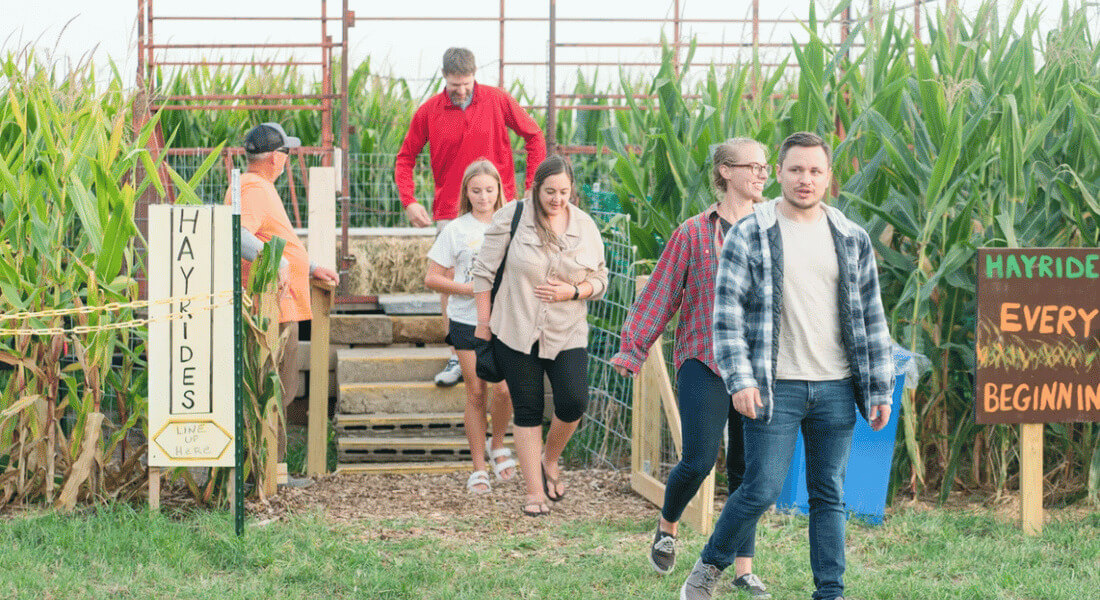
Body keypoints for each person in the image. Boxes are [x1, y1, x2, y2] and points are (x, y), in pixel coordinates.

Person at [679, 132, 894, 600]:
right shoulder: (750, 231)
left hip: (836, 388)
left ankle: (831, 591)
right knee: (760, 489)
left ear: (829, 177)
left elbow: (872, 318)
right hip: (776, 386)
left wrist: (880, 390)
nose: (805, 179)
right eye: (796, 169)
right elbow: (727, 312)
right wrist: (739, 379)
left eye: (816, 171)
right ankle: (707, 569)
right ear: (777, 173)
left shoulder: (850, 237)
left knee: (829, 495)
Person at [611, 138, 772, 597]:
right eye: (753, 166)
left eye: (766, 167)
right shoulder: (694, 233)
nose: (763, 174)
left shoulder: (772, 231)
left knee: (747, 470)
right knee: (699, 460)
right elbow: (662, 293)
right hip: (703, 358)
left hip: (758, 365)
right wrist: (633, 348)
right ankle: (667, 525)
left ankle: (743, 568)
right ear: (724, 171)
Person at [394, 47, 546, 388]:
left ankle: (507, 345)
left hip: (500, 207)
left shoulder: (497, 100)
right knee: (451, 278)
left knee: (506, 273)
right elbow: (405, 158)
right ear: (444, 79)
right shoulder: (429, 111)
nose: (460, 91)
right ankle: (456, 354)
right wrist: (409, 201)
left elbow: (535, 136)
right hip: (450, 207)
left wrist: (530, 187)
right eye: (453, 85)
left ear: (475, 75)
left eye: (465, 84)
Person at [471, 155, 607, 517]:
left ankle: (550, 459)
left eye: (564, 192)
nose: (557, 199)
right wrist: (484, 324)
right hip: (516, 328)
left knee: (573, 402)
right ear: (536, 189)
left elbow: (601, 280)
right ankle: (534, 492)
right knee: (527, 408)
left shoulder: (586, 226)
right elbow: (483, 272)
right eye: (550, 191)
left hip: (567, 330)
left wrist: (574, 291)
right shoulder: (512, 217)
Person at [227, 122, 340, 485]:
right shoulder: (255, 188)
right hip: (269, 307)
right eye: (286, 154)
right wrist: (276, 260)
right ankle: (269, 475)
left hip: (274, 303)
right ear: (276, 158)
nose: (288, 160)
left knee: (275, 386)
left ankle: (268, 472)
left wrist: (309, 266)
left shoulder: (252, 187)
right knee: (274, 387)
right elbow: (237, 233)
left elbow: (269, 237)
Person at [424, 159, 517, 494]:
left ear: (499, 190)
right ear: (466, 191)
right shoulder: (456, 230)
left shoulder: (512, 224)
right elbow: (432, 278)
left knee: (505, 389)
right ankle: (478, 467)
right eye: (476, 190)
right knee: (476, 392)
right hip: (466, 320)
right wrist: (471, 288)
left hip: (506, 321)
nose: (483, 197)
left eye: (489, 190)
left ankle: (497, 444)